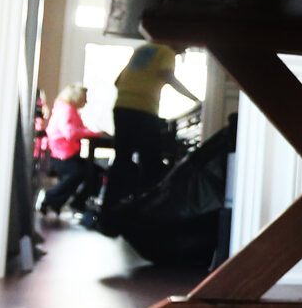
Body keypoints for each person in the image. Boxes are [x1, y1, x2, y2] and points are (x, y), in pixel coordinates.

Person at [106, 41, 198, 211]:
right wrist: (195, 99)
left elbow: (117, 81)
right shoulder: (167, 51)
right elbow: (168, 76)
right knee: (151, 161)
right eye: (185, 46)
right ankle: (144, 209)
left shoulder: (142, 49)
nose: (184, 50)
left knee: (122, 159)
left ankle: (109, 210)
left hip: (121, 107)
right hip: (143, 109)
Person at [40, 85, 102, 218]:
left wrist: (89, 132)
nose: (85, 102)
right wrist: (94, 133)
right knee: (79, 172)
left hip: (65, 153)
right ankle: (52, 199)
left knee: (95, 172)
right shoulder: (66, 110)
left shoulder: (68, 110)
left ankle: (77, 203)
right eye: (84, 98)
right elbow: (70, 133)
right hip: (60, 155)